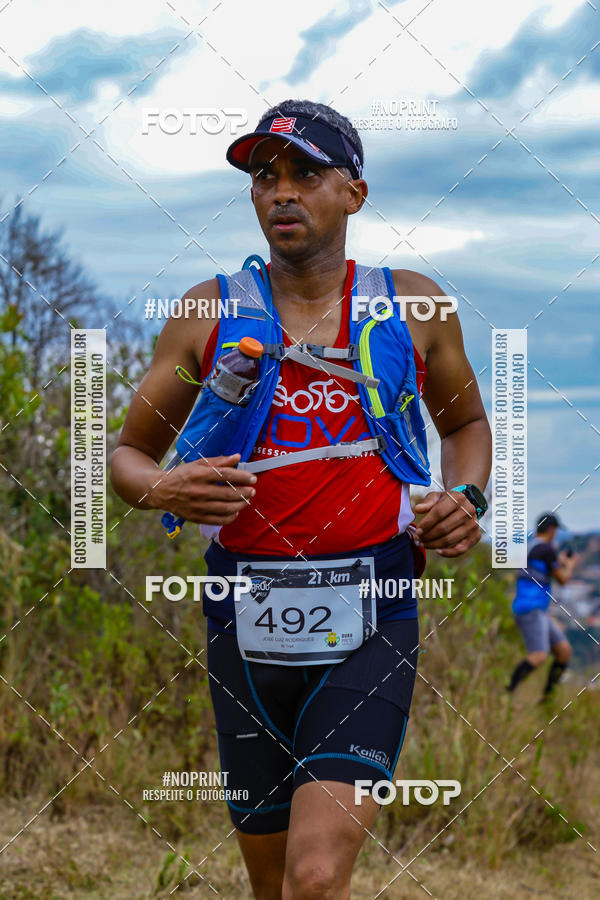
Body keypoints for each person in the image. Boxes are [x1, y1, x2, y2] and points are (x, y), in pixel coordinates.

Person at [110, 99, 492, 899]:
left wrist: (467, 495)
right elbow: (128, 456)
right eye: (265, 176)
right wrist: (163, 488)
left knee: (315, 879)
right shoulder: (207, 312)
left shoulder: (414, 306)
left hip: (372, 610)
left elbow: (466, 428)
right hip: (240, 614)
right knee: (272, 882)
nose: (282, 192)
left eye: (306, 173)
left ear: (353, 191)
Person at [507, 513, 579, 701]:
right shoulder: (547, 550)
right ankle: (507, 692)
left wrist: (558, 561)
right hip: (532, 608)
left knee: (564, 651)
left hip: (531, 608)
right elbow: (562, 580)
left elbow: (541, 566)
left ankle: (547, 700)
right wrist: (569, 565)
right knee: (539, 656)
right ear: (552, 529)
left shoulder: (532, 547)